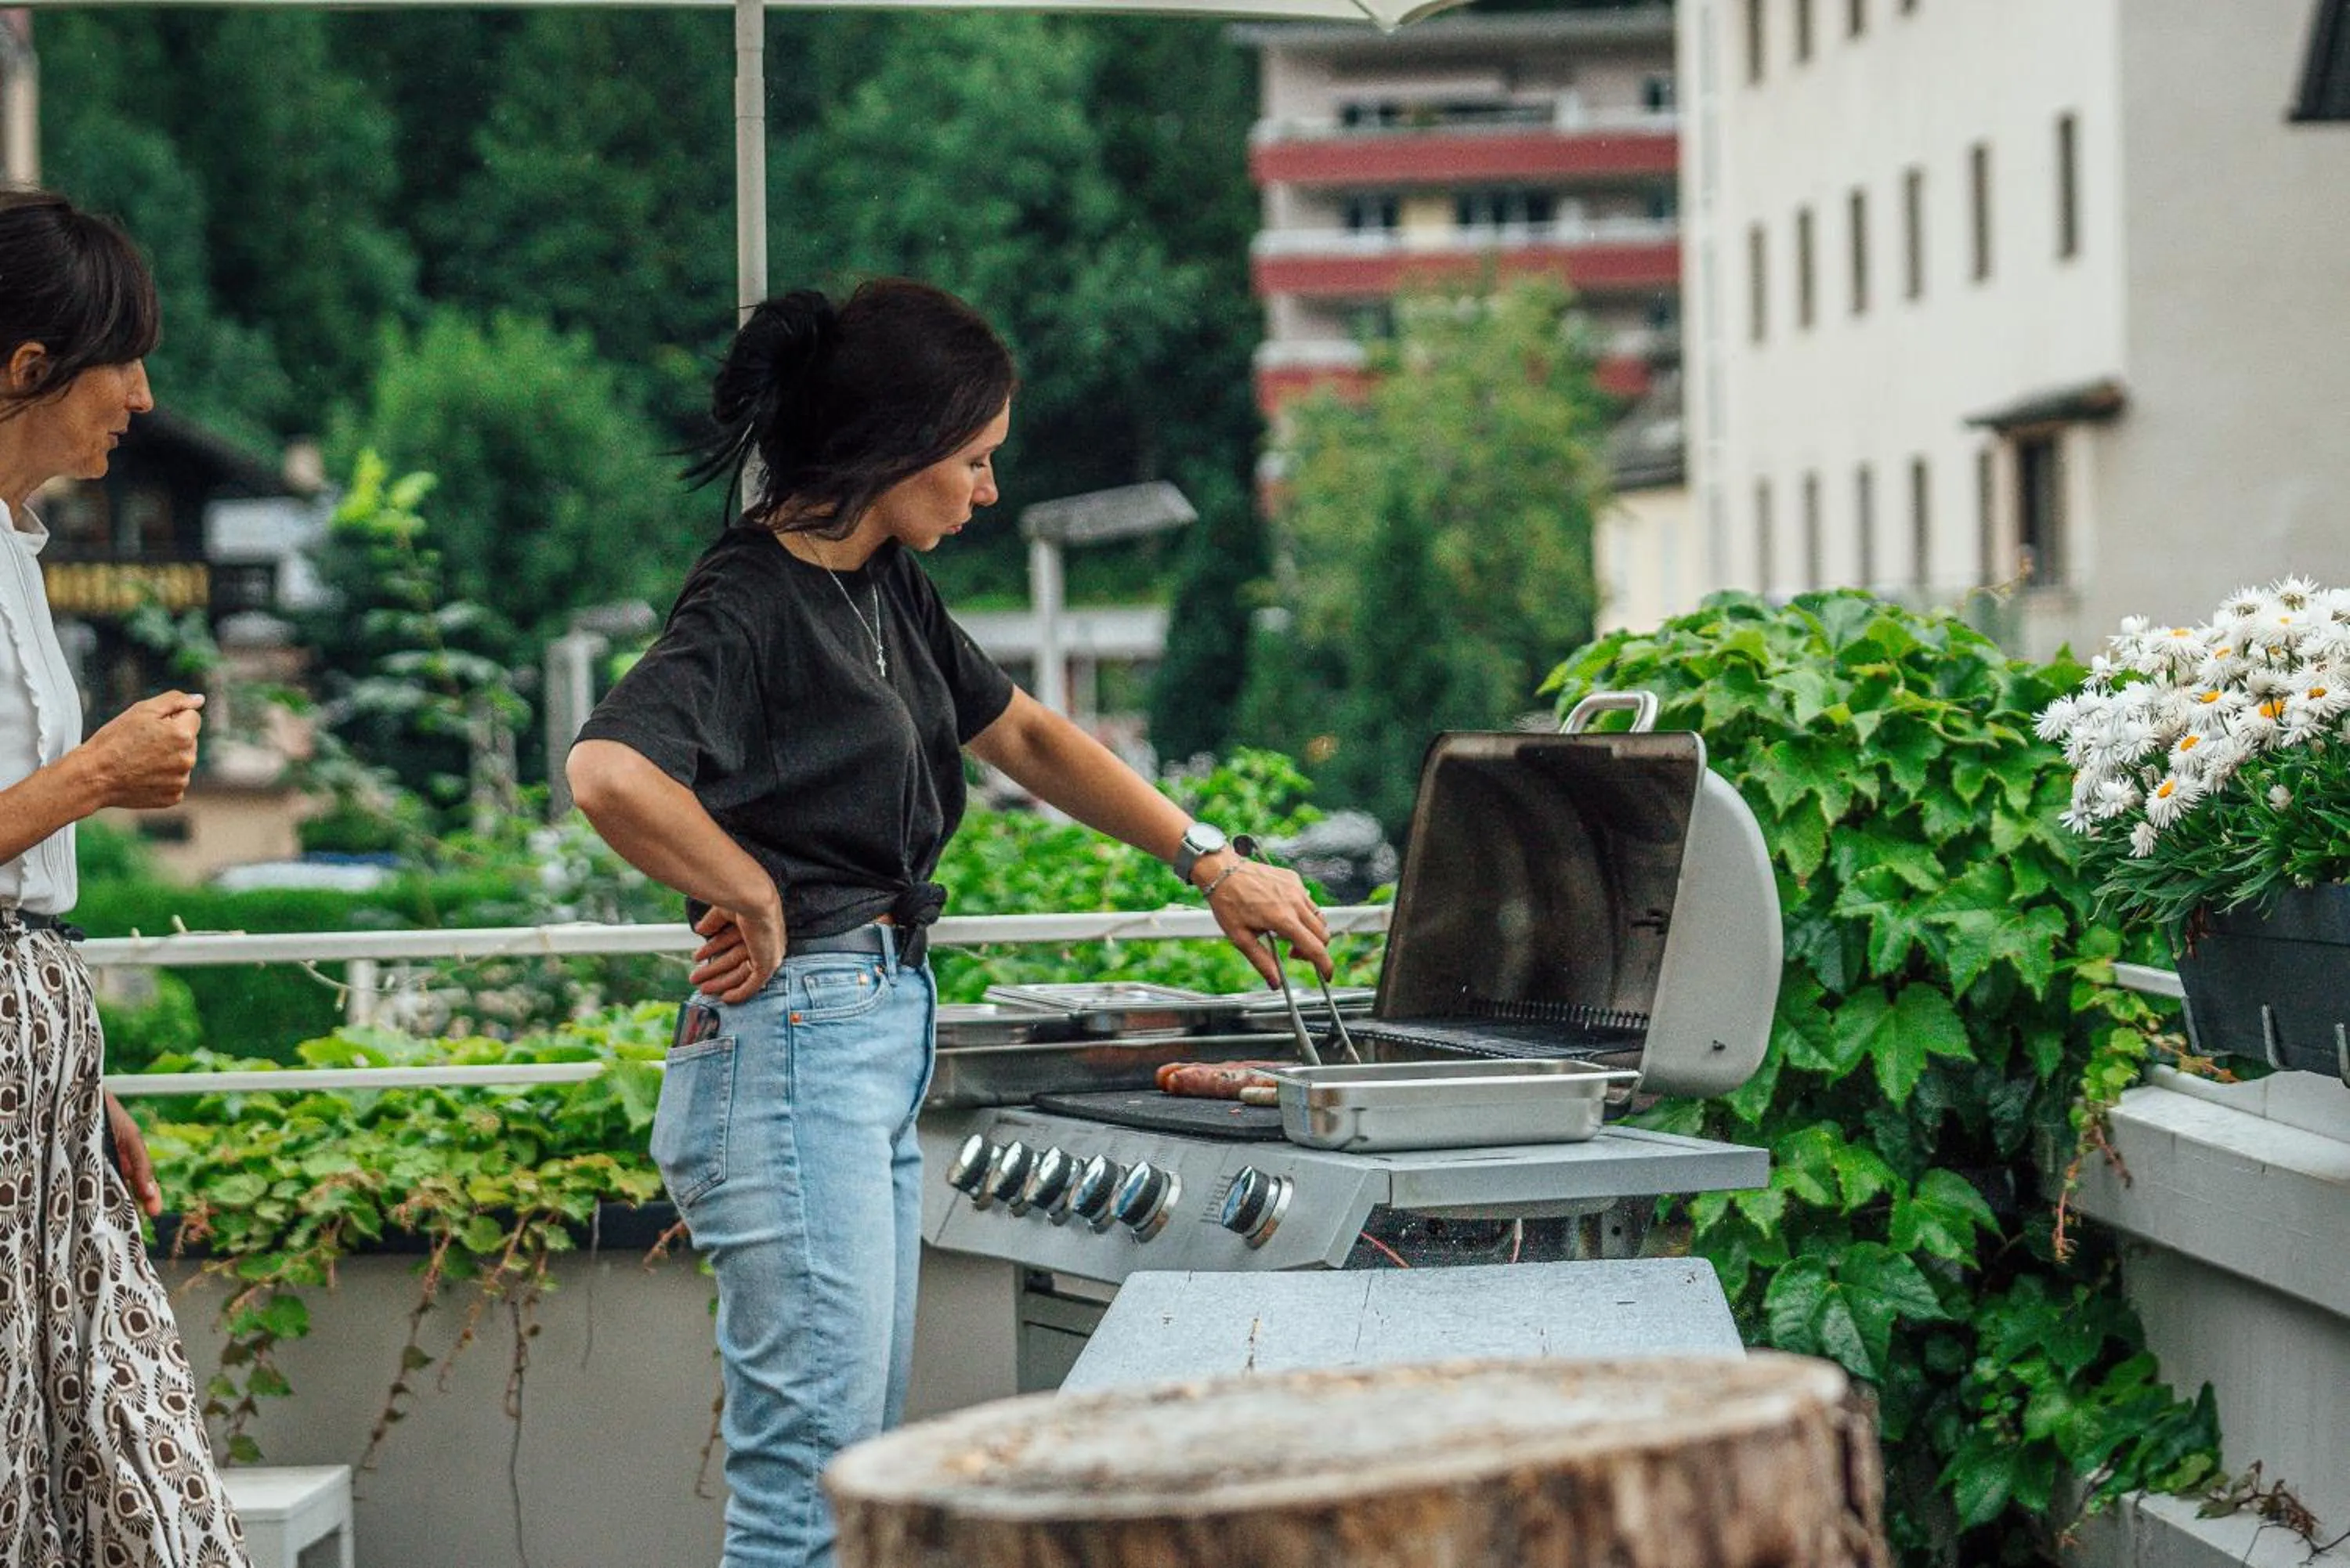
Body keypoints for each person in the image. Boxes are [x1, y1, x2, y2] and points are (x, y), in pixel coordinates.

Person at [567, 279, 1331, 1568]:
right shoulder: (749, 597)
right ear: (898, 446)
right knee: (803, 1503)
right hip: (791, 1047)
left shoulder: (881, 587)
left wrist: (1208, 859)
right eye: (975, 461)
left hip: (855, 1045)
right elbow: (608, 769)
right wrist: (745, 887)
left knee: (853, 1479)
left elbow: (1025, 730)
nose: (986, 492)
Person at [0, 188, 251, 1567]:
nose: (144, 397)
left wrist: (78, 1091)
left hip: (35, 1078)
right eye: (122, 359)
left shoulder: (19, 549)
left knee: (110, 1450)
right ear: (28, 367)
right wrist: (96, 774)